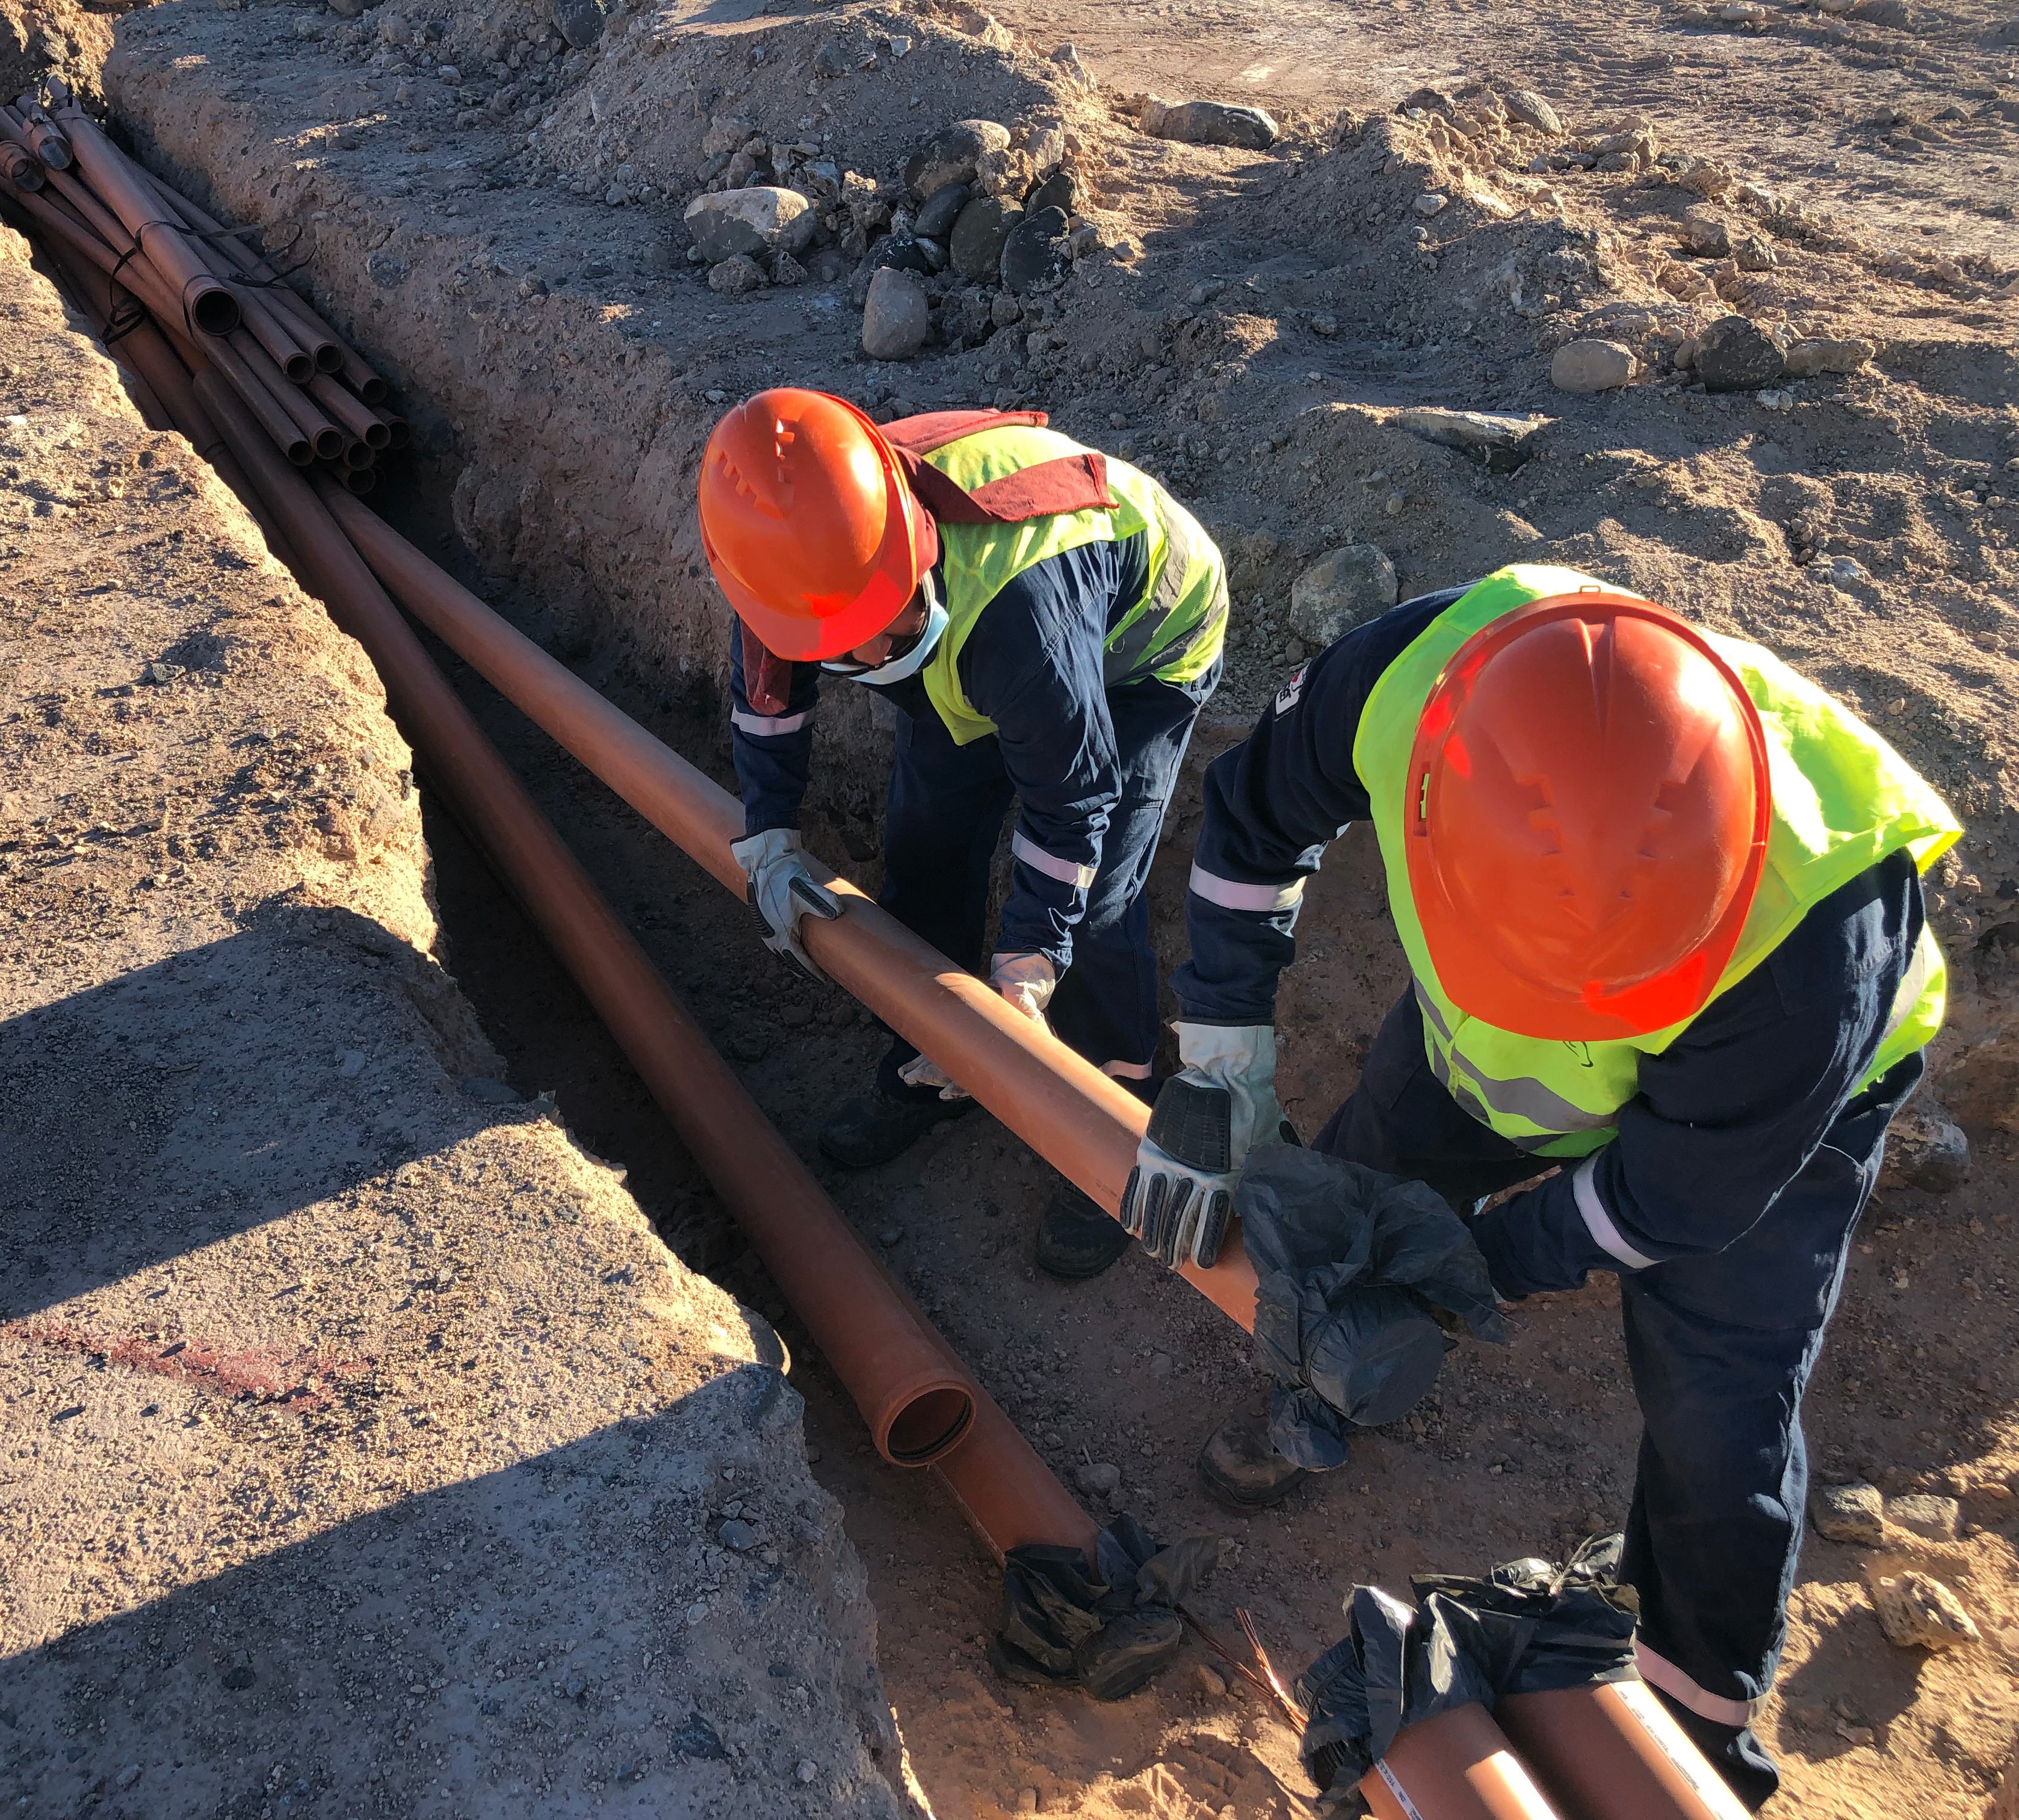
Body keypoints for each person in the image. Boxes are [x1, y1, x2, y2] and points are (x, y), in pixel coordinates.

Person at [1123, 562, 1957, 1807]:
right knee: (1353, 1198)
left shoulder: (1817, 931)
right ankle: (1320, 1392)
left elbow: (1672, 1201)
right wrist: (1222, 1054)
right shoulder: (1412, 684)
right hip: (1484, 1035)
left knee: (1717, 1421)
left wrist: (1475, 1270)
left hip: (1774, 1119)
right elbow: (1251, 821)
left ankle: (1695, 1722)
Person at [696, 388, 1228, 1277]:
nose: (864, 656)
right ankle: (929, 1063)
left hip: (1139, 654)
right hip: (975, 654)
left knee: (1095, 909)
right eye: (842, 643)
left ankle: (1120, 1121)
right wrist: (768, 833)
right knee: (926, 846)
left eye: (877, 629)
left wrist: (1025, 969)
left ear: (909, 552)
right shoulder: (790, 559)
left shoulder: (1020, 613)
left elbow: (1072, 802)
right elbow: (769, 698)